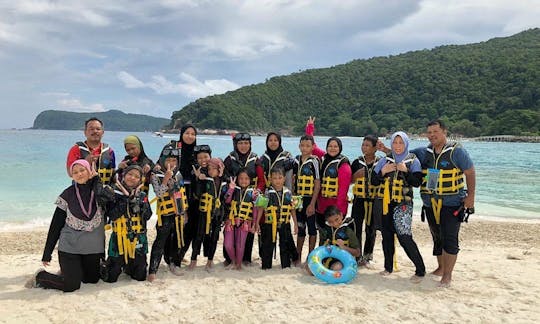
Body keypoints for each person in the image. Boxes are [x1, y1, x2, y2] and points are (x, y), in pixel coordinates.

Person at [26, 159, 113, 292]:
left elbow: (110, 202)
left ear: (90, 171)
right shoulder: (67, 194)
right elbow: (56, 225)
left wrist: (97, 180)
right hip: (70, 248)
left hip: (92, 249)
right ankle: (40, 277)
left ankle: (71, 271)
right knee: (71, 285)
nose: (79, 174)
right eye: (75, 172)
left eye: (82, 170)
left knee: (92, 280)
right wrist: (47, 253)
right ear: (72, 176)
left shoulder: (100, 192)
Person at [417, 119, 476, 287]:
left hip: (452, 202)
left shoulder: (456, 152)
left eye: (435, 132)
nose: (432, 135)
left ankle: (447, 275)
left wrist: (470, 197)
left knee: (450, 238)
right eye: (429, 132)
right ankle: (440, 268)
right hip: (430, 202)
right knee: (437, 237)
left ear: (444, 132)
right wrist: (385, 149)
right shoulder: (425, 152)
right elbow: (402, 153)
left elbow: (470, 172)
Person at [372, 131, 425, 282]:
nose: (397, 146)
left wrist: (406, 171)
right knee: (387, 236)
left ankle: (420, 270)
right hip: (386, 204)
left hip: (403, 204)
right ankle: (388, 267)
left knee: (404, 236)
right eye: (395, 143)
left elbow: (417, 182)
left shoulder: (413, 160)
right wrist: (383, 172)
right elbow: (374, 181)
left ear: (406, 144)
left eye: (401, 143)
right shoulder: (385, 161)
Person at [101, 165, 152, 282]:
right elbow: (112, 215)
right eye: (130, 174)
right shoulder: (114, 193)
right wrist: (125, 200)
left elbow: (148, 216)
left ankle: (129, 266)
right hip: (119, 238)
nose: (132, 178)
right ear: (123, 175)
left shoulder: (142, 195)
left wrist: (140, 205)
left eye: (136, 176)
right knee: (110, 277)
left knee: (140, 276)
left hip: (138, 237)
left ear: (140, 180)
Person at [148, 144, 188, 281]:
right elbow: (158, 194)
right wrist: (165, 178)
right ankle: (153, 270)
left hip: (178, 213)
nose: (171, 163)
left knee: (176, 240)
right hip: (165, 215)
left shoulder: (179, 174)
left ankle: (174, 263)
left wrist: (184, 213)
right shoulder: (155, 175)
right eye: (168, 160)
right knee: (160, 241)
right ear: (162, 160)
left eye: (174, 161)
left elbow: (182, 194)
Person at [164, 124, 198, 269]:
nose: (190, 136)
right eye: (187, 133)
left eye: (193, 134)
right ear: (181, 134)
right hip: (176, 191)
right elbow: (162, 162)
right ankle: (171, 258)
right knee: (175, 225)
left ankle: (180, 254)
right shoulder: (173, 148)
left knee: (190, 226)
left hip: (193, 192)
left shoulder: (197, 151)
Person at [223, 132, 259, 266]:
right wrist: (230, 187)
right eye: (240, 143)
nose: (243, 146)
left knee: (246, 235)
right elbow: (224, 175)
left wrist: (257, 191)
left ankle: (245, 259)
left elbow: (261, 177)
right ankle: (229, 259)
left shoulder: (255, 158)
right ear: (235, 144)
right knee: (229, 234)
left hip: (249, 197)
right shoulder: (230, 158)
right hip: (233, 196)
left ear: (250, 144)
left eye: (246, 143)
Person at [190, 158, 228, 271]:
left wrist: (224, 216)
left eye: (214, 169)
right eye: (209, 168)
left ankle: (210, 261)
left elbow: (226, 199)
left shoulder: (225, 182)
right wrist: (198, 179)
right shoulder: (205, 179)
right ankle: (193, 260)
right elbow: (197, 194)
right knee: (199, 236)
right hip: (204, 213)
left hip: (217, 214)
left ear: (220, 168)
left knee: (214, 237)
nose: (211, 171)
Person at [350, 135, 381, 268]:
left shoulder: (381, 161)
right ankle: (357, 256)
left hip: (374, 199)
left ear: (375, 148)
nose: (364, 147)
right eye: (363, 145)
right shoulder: (357, 162)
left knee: (371, 229)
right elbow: (350, 180)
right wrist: (357, 174)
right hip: (359, 199)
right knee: (356, 227)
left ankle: (368, 256)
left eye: (367, 145)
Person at [260, 167, 299, 269]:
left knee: (285, 244)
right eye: (275, 178)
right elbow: (261, 208)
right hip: (269, 223)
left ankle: (285, 265)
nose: (277, 180)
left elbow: (292, 209)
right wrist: (256, 223)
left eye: (280, 178)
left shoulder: (288, 192)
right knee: (267, 244)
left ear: (284, 178)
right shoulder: (267, 192)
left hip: (284, 222)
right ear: (270, 179)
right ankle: (266, 266)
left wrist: (295, 223)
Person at [292, 134, 321, 262]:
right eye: (302, 145)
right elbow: (293, 180)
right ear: (299, 146)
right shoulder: (296, 160)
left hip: (310, 199)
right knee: (300, 227)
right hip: (298, 199)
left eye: (308, 146)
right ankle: (298, 255)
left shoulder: (314, 161)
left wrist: (313, 203)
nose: (304, 148)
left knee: (312, 229)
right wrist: (292, 197)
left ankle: (310, 256)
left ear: (313, 147)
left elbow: (317, 182)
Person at [223, 169, 258, 270]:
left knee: (240, 245)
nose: (243, 181)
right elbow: (227, 200)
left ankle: (238, 264)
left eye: (246, 178)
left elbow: (255, 210)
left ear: (250, 180)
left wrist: (254, 223)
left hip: (245, 223)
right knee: (228, 244)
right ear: (237, 179)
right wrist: (231, 189)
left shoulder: (253, 193)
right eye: (241, 178)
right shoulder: (234, 190)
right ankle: (233, 261)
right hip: (231, 221)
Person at [316, 137, 352, 230]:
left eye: (335, 146)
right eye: (330, 146)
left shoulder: (343, 164)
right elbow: (313, 148)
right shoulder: (324, 158)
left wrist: (338, 211)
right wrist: (310, 129)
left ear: (340, 148)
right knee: (323, 234)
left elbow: (343, 190)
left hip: (336, 207)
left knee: (336, 235)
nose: (332, 148)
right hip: (321, 206)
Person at [66, 117, 115, 185]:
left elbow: (112, 173)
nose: (95, 131)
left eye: (98, 129)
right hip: (82, 191)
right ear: (85, 132)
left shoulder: (109, 151)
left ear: (102, 133)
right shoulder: (76, 149)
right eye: (91, 129)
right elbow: (70, 173)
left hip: (103, 192)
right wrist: (85, 162)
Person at [318, 205, 361, 271]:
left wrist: (344, 247)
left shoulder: (348, 231)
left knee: (337, 267)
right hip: (328, 258)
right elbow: (321, 248)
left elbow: (357, 253)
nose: (335, 223)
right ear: (327, 221)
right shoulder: (326, 231)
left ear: (341, 215)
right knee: (308, 268)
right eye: (331, 222)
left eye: (337, 219)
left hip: (343, 260)